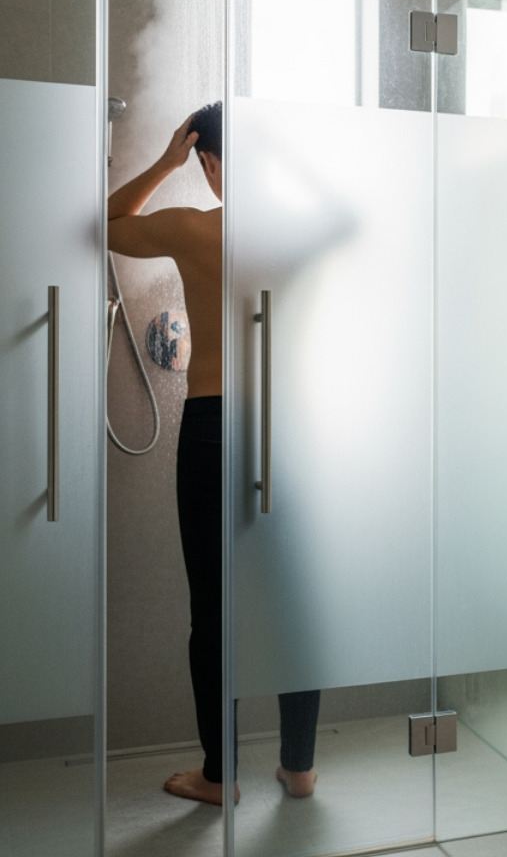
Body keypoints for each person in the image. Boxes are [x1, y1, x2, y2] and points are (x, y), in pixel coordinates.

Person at [106, 103, 320, 804]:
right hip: (287, 427)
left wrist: (167, 162)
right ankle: (300, 766)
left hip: (211, 426)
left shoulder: (198, 227)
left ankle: (220, 776)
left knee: (215, 610)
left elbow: (100, 225)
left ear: (209, 161)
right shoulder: (297, 229)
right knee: (293, 607)